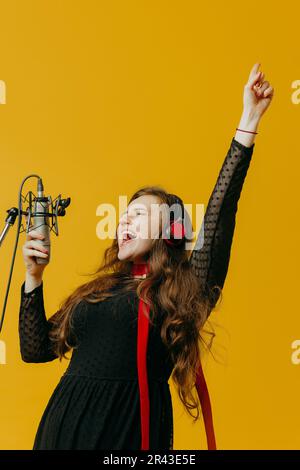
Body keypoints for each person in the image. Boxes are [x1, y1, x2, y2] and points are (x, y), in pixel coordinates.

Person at [19, 63, 274, 450]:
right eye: (124, 215)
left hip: (125, 434)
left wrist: (248, 120)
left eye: (138, 214)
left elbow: (221, 212)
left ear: (170, 228)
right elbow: (35, 350)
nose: (124, 221)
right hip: (61, 432)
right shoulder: (100, 290)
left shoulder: (185, 290)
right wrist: (34, 278)